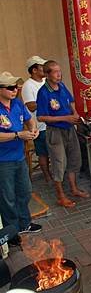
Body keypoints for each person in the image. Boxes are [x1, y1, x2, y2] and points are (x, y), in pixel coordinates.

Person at [36, 61, 89, 208]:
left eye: (59, 71)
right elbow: (41, 117)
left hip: (70, 128)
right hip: (55, 131)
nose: (59, 74)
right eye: (54, 72)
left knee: (74, 158)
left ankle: (73, 188)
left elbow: (71, 101)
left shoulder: (62, 86)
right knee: (59, 162)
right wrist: (65, 118)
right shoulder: (43, 93)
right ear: (47, 74)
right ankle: (61, 195)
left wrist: (75, 114)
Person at [0, 71, 42, 245]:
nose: (14, 90)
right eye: (10, 87)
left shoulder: (17, 104)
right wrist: (17, 135)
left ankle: (24, 223)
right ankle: (12, 231)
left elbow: (29, 119)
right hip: (3, 160)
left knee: (24, 191)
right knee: (7, 197)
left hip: (19, 157)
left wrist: (33, 129)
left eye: (16, 86)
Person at [21, 56, 51, 182]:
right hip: (40, 125)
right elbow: (31, 106)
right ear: (34, 70)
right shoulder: (28, 85)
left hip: (52, 122)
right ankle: (47, 176)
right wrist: (49, 102)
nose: (44, 69)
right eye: (41, 66)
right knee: (43, 152)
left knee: (54, 151)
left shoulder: (47, 81)